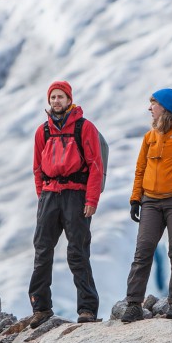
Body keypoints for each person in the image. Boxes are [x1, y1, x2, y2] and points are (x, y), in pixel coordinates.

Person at [121, 88, 172, 323]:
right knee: (143, 251)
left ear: (165, 107)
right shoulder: (150, 137)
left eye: (153, 104)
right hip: (150, 201)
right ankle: (133, 304)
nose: (150, 108)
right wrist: (135, 198)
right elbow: (140, 169)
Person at [28, 81, 104, 329]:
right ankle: (40, 308)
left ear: (69, 99)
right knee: (42, 250)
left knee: (78, 252)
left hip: (76, 195)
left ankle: (87, 309)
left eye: (60, 97)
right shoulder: (44, 131)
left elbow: (95, 165)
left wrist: (91, 199)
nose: (56, 101)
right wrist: (42, 195)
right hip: (50, 195)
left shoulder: (84, 127)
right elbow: (37, 167)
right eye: (53, 98)